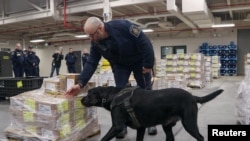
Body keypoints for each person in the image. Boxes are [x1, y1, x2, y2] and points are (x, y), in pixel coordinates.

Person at [65, 17, 156, 138]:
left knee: (146, 91)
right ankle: (121, 126)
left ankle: (150, 122)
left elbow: (144, 42)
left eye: (92, 35)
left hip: (138, 61)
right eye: (88, 36)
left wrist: (148, 64)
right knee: (119, 95)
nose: (91, 39)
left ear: (101, 28)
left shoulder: (123, 27)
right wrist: (80, 83)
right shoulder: (96, 43)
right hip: (120, 66)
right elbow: (91, 62)